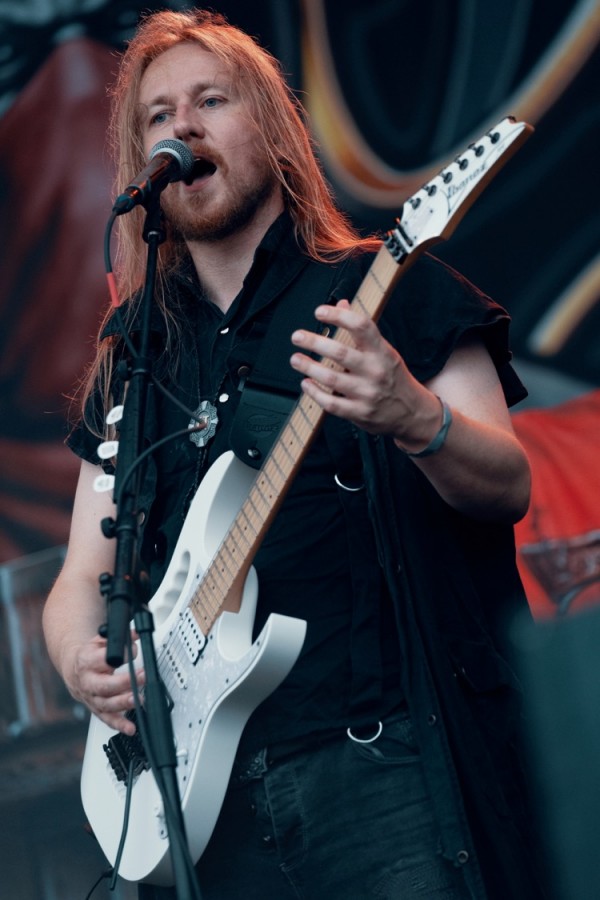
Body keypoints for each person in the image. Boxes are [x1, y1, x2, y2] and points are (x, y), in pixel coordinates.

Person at [43, 8, 548, 900]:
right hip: (208, 811)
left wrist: (412, 416)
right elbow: (82, 574)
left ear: (273, 131)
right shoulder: (136, 357)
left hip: (382, 766)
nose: (183, 127)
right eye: (159, 115)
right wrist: (80, 662)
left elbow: (508, 484)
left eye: (210, 101)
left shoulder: (389, 292)